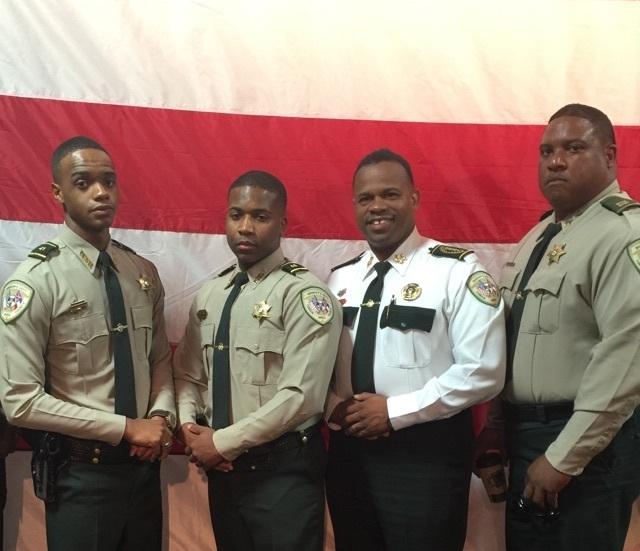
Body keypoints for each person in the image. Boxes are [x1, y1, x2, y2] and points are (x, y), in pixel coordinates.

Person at [477, 103, 640, 551]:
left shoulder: (623, 235)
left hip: (587, 445)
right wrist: (495, 422)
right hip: (527, 435)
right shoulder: (541, 236)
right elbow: (515, 336)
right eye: (546, 150)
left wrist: (566, 457)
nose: (556, 160)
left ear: (609, 156)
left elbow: (626, 357)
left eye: (573, 147)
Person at [325, 148, 506, 551]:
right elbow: (315, 365)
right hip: (349, 454)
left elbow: (484, 371)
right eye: (365, 198)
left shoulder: (456, 271)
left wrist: (392, 412)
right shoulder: (339, 279)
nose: (377, 206)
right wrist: (333, 406)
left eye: (389, 194)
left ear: (414, 198)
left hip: (426, 456)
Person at [0, 136, 175, 551]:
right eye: (83, 182)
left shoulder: (141, 272)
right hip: (81, 476)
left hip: (143, 471)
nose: (100, 192)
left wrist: (162, 418)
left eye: (109, 181)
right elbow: (19, 399)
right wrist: (127, 428)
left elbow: (159, 360)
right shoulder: (36, 280)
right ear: (57, 192)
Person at [173, 170, 342, 551]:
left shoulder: (304, 296)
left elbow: (303, 397)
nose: (245, 227)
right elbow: (187, 375)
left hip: (282, 476)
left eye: (260, 217)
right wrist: (189, 429)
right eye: (236, 215)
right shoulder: (211, 295)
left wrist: (222, 443)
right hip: (224, 474)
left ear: (281, 223)